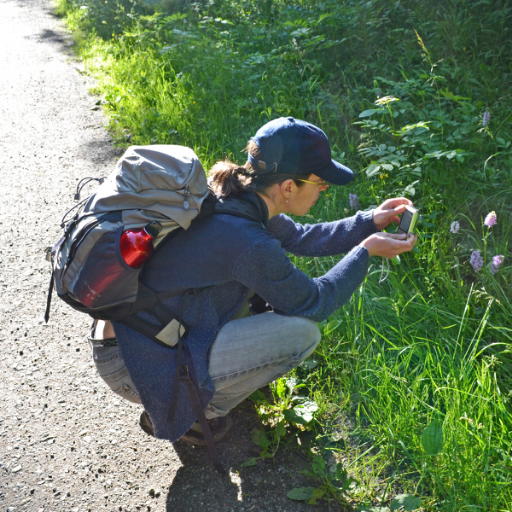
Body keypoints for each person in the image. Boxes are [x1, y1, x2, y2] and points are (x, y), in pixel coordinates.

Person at [88, 117, 417, 448]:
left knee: (257, 303)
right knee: (301, 334)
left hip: (132, 337)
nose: (322, 191)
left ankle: (191, 391)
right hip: (133, 365)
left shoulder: (235, 196)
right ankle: (188, 411)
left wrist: (368, 221)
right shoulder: (247, 240)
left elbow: (300, 237)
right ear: (289, 187)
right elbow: (315, 301)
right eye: (320, 184)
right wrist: (366, 251)